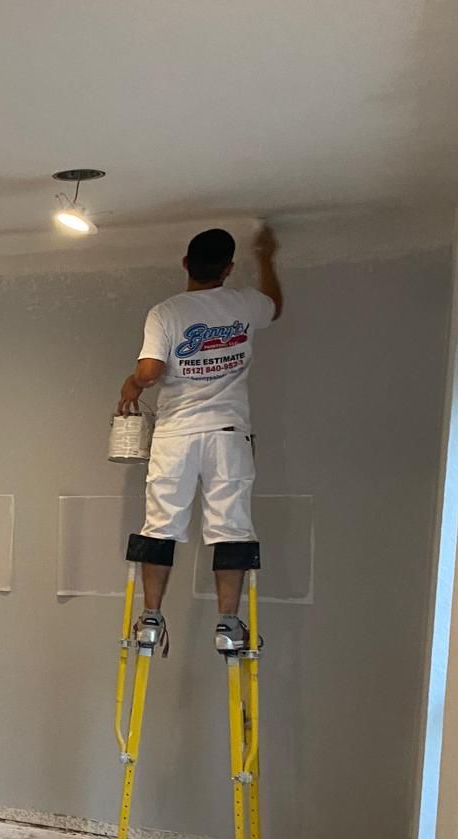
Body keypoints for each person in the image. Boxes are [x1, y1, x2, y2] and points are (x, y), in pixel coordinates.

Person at [116, 226, 283, 653]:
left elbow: (151, 371)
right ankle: (228, 623)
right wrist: (266, 256)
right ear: (227, 269)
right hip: (227, 433)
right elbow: (274, 307)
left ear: (186, 263)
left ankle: (151, 617)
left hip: (176, 434)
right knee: (230, 527)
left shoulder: (166, 312)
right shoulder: (244, 303)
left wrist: (133, 384)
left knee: (161, 524)